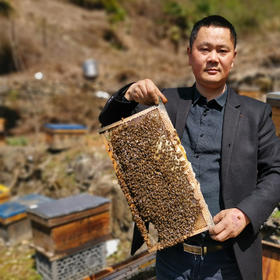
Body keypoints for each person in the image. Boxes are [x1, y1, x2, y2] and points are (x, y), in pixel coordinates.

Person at [99, 15, 280, 280]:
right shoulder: (163, 103)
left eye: (222, 50)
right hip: (172, 259)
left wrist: (244, 214)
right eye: (204, 49)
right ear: (189, 54)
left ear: (233, 57)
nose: (213, 58)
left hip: (229, 262)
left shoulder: (256, 114)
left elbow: (276, 172)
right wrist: (128, 94)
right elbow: (109, 121)